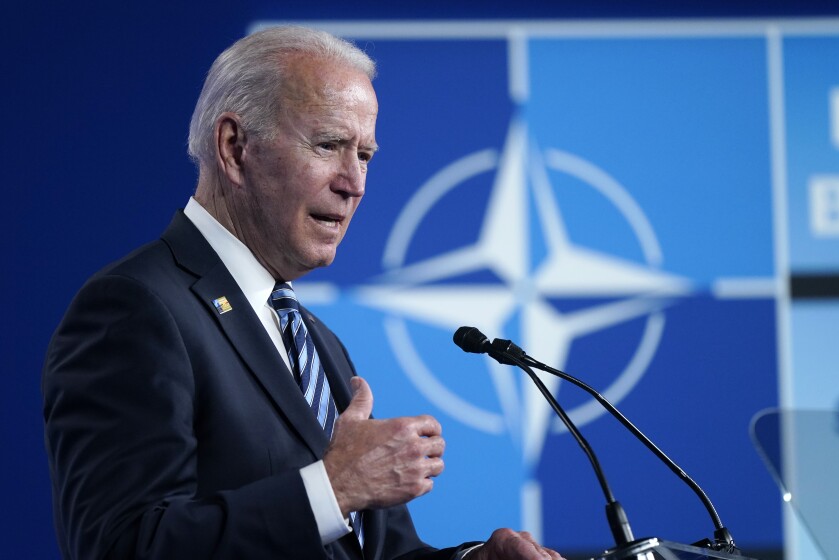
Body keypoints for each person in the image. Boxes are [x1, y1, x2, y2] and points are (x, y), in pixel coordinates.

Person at [42, 26, 565, 560]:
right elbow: (121, 546)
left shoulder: (317, 340)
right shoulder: (137, 309)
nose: (354, 183)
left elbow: (381, 553)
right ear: (235, 148)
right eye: (329, 145)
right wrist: (333, 489)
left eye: (365, 155)